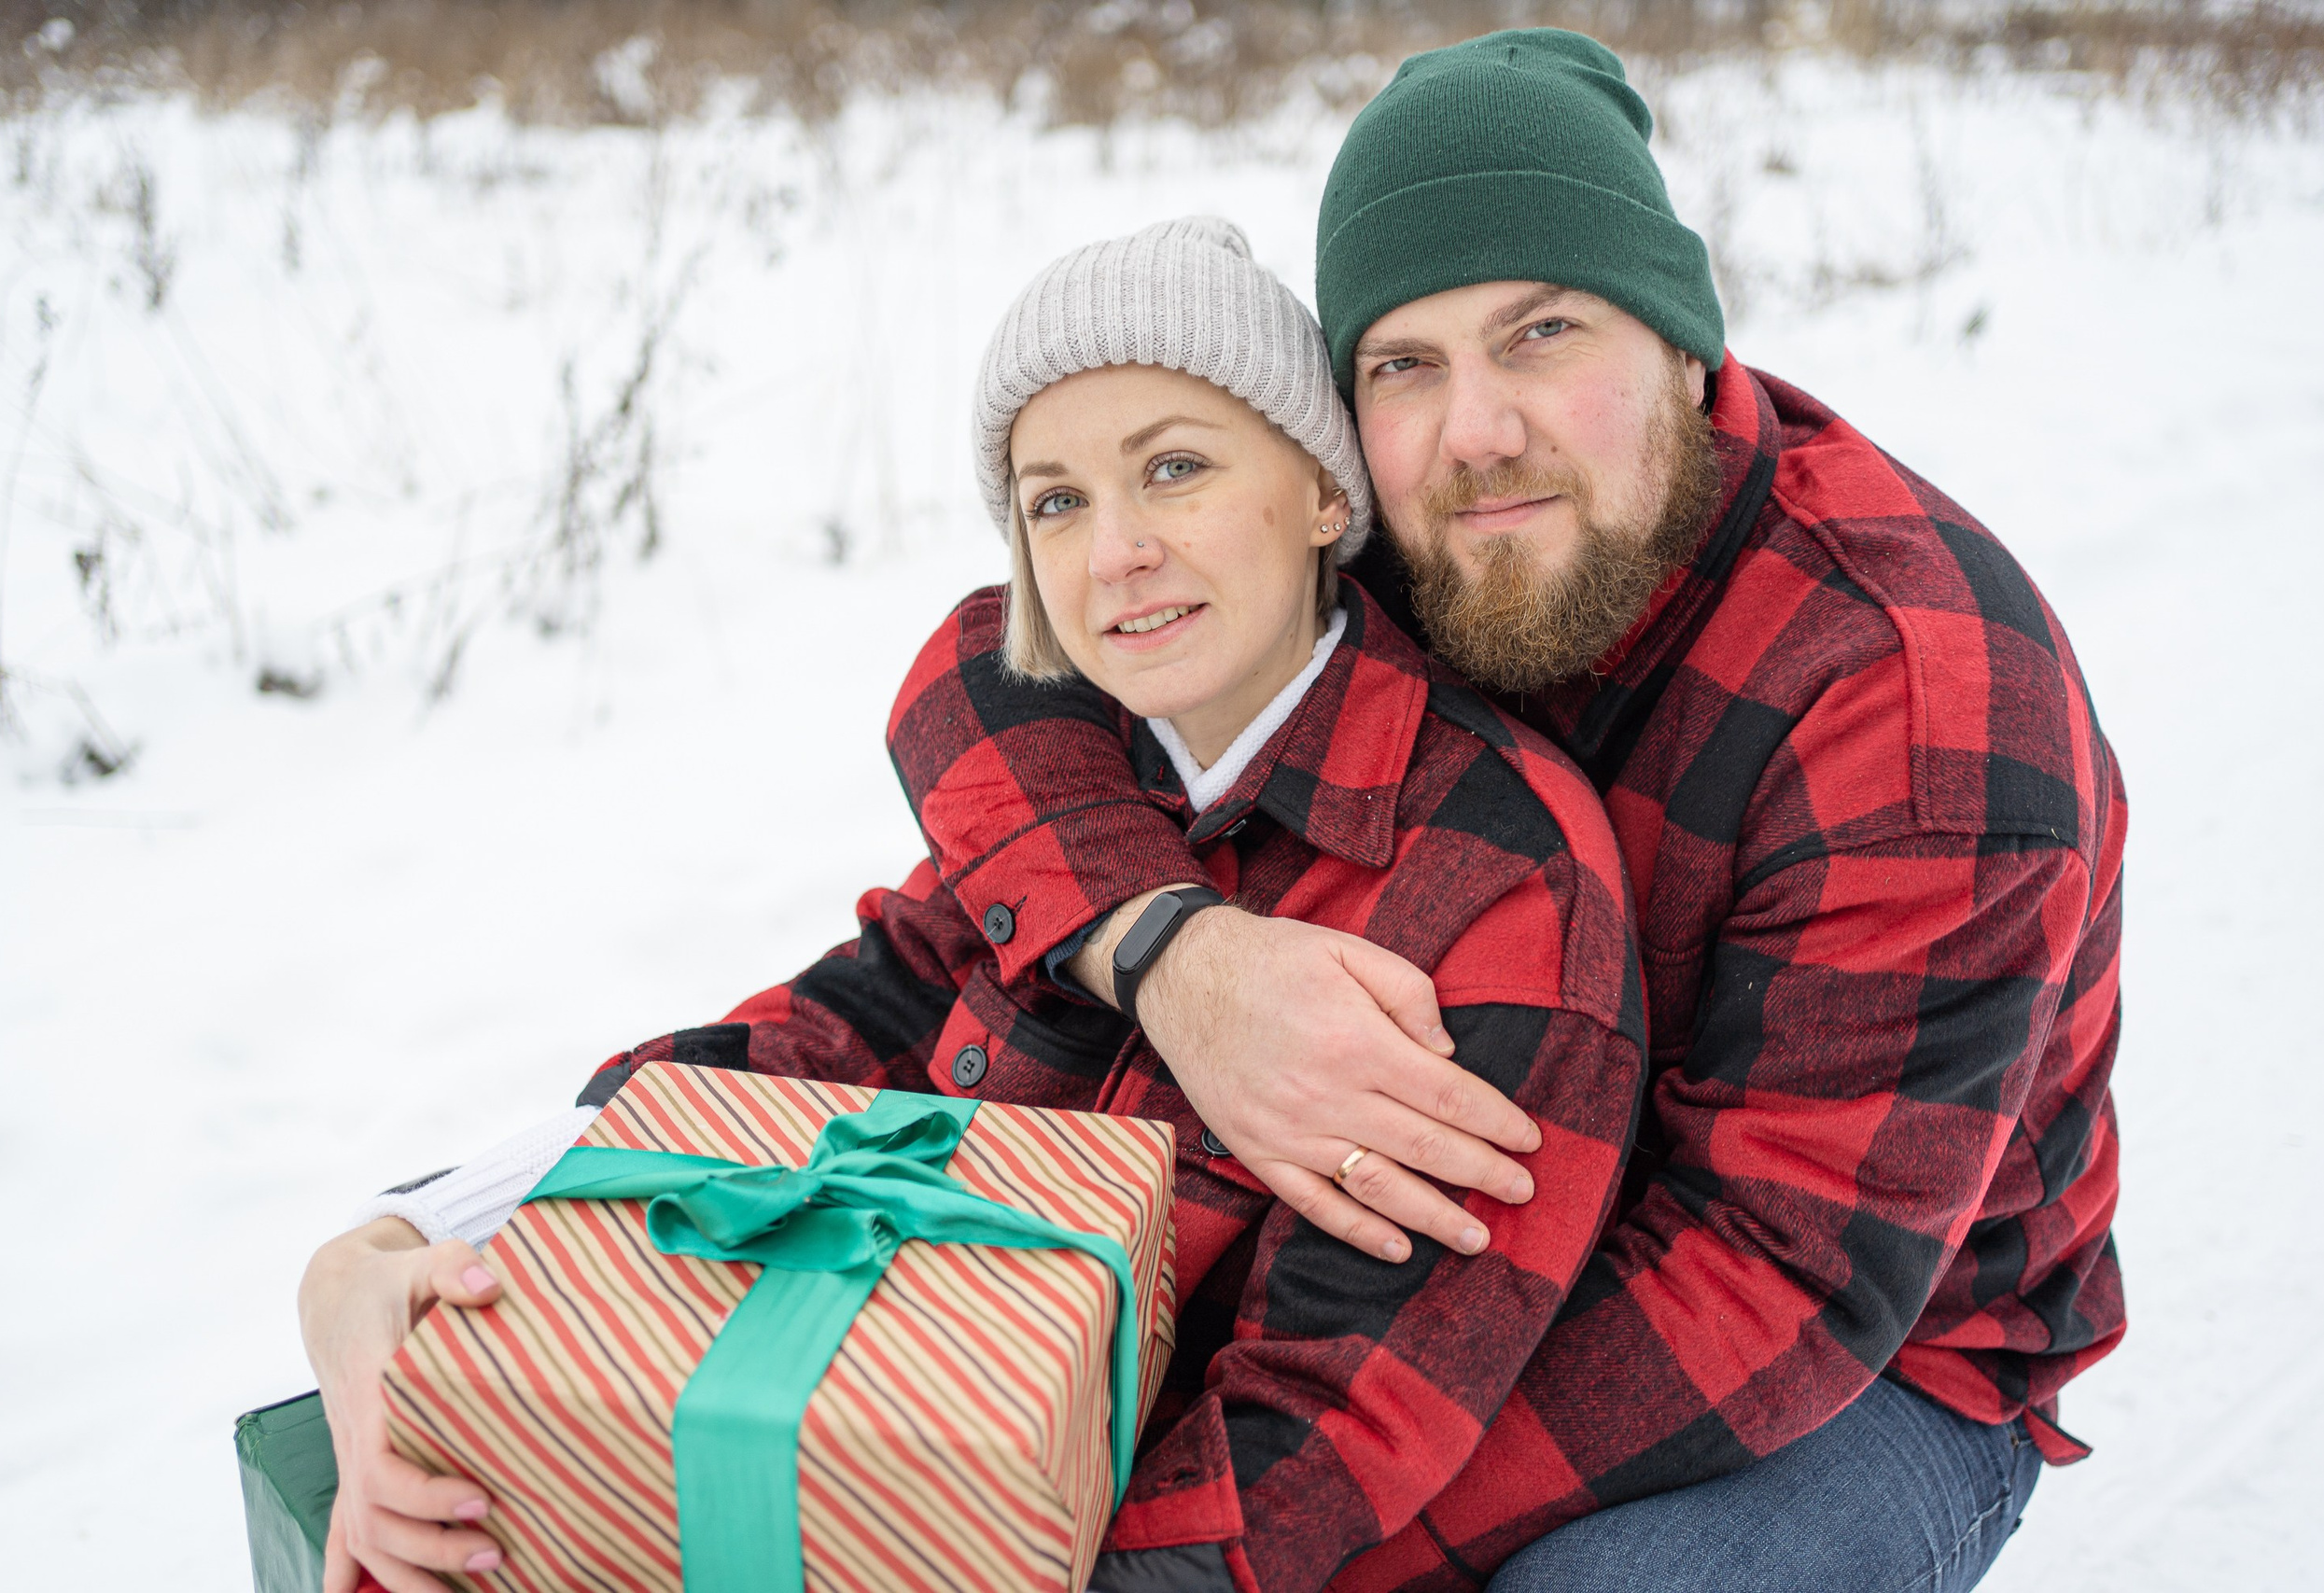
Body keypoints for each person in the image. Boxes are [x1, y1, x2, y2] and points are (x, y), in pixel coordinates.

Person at [881, 29, 2126, 1593]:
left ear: (1683, 344)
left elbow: (1779, 1289)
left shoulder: (1919, 697)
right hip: (1458, 1252)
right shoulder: (1431, 515)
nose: (1475, 429)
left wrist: (1265, 1528)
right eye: (1405, 363)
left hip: (1866, 1359)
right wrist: (1169, 953)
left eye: (1540, 333)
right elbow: (994, 674)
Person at [300, 217, 1648, 1593]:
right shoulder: (1082, 770)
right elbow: (841, 1029)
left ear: (1320, 492)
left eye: (1173, 469)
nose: (1113, 550)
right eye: (1054, 501)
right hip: (883, 1437)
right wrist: (423, 1233)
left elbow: (1322, 1446)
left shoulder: (1496, 885)